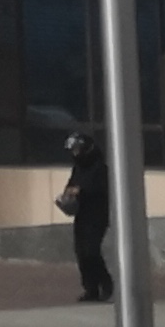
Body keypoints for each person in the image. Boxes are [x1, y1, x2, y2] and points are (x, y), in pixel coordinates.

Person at [58, 125, 112, 305]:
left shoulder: (100, 168)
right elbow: (71, 184)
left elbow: (102, 190)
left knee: (91, 251)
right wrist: (67, 195)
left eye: (77, 150)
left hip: (97, 215)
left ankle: (105, 284)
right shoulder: (78, 168)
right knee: (81, 252)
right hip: (81, 215)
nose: (75, 154)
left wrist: (82, 190)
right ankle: (90, 288)